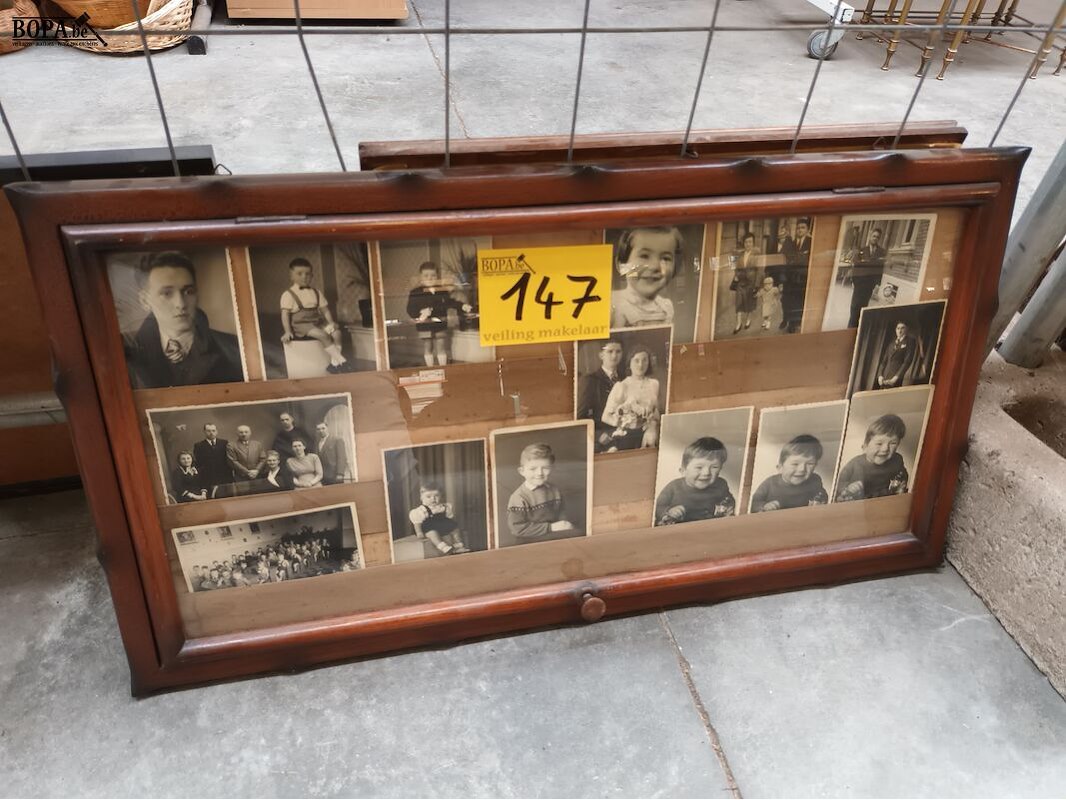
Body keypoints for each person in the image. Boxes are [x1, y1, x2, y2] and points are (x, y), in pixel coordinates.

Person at [123, 250, 243, 389]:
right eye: (167, 293)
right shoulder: (126, 351)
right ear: (144, 301)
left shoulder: (235, 350)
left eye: (188, 292)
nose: (180, 304)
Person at [279, 257, 353, 375]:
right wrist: (287, 331)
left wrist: (331, 323)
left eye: (308, 274)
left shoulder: (316, 292)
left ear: (312, 275)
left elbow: (325, 310)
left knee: (337, 333)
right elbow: (285, 315)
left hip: (318, 322)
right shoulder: (288, 294)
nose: (304, 277)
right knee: (323, 335)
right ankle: (343, 362)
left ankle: (334, 364)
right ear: (291, 275)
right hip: (301, 325)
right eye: (299, 274)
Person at [610, 226, 684, 329]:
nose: (654, 266)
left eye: (665, 258)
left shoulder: (666, 307)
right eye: (644, 256)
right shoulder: (614, 304)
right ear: (621, 264)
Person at [654, 437, 736, 526]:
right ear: (683, 471)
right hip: (680, 528)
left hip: (710, 527)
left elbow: (729, 500)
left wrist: (728, 508)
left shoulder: (720, 485)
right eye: (699, 467)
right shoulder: (673, 487)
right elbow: (658, 507)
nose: (706, 473)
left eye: (714, 467)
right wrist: (669, 512)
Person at [506, 442, 576, 542]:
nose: (539, 473)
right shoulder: (519, 497)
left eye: (545, 468)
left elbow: (561, 513)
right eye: (533, 469)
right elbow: (518, 529)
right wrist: (551, 527)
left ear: (551, 469)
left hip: (553, 536)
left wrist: (564, 524)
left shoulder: (554, 490)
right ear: (522, 471)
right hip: (529, 540)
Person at [406, 261, 472, 367]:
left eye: (433, 275)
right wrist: (420, 313)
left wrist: (462, 306)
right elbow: (410, 309)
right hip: (425, 324)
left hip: (440, 323)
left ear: (437, 276)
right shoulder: (415, 292)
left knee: (441, 345)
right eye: (426, 276)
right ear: (421, 277)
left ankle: (443, 367)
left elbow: (450, 302)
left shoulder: (441, 291)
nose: (430, 278)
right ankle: (430, 368)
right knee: (428, 345)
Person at [836, 414, 910, 501]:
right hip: (861, 502)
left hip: (886, 500)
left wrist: (900, 485)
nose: (885, 448)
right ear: (865, 446)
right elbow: (839, 483)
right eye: (879, 443)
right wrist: (848, 488)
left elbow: (903, 476)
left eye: (893, 443)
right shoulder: (855, 464)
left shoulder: (897, 460)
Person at [602, 346, 661, 451]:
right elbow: (605, 417)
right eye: (636, 360)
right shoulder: (622, 386)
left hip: (649, 432)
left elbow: (657, 412)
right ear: (629, 363)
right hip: (628, 435)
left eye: (644, 360)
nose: (640, 365)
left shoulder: (654, 384)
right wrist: (624, 421)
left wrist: (652, 423)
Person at [751, 434, 830, 512]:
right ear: (780, 467)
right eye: (795, 464)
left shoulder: (815, 480)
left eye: (810, 464)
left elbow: (822, 495)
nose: (802, 469)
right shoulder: (770, 484)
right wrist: (764, 506)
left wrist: (819, 501)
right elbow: (753, 503)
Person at [577, 339, 624, 453]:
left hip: (624, 435)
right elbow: (580, 416)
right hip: (603, 439)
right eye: (610, 351)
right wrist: (598, 435)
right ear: (601, 355)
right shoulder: (591, 380)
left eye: (618, 351)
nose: (614, 356)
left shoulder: (625, 379)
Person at [408, 481, 471, 556]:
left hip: (442, 525)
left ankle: (458, 545)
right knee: (432, 533)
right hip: (429, 527)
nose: (433, 499)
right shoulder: (422, 510)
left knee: (455, 530)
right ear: (421, 498)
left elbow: (450, 518)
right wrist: (419, 532)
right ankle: (443, 547)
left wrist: (451, 526)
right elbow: (417, 523)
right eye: (428, 497)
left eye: (436, 496)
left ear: (441, 496)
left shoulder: (444, 507)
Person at [776, 218, 812, 333]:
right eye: (798, 228)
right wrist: (781, 279)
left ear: (807, 230)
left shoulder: (811, 243)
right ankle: (785, 318)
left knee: (797, 302)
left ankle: (793, 323)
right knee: (785, 300)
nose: (800, 230)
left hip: (802, 279)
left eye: (803, 228)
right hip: (789, 278)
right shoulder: (790, 243)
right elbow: (782, 258)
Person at [847, 227, 887, 328]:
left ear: (879, 239)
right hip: (859, 284)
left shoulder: (881, 252)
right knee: (854, 307)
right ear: (870, 236)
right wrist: (854, 281)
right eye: (874, 236)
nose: (875, 238)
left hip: (870, 285)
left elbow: (880, 268)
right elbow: (856, 266)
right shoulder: (862, 250)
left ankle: (857, 328)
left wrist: (877, 284)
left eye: (877, 237)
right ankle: (850, 327)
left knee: (863, 307)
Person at [730, 232, 761, 334]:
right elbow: (736, 267)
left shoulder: (757, 255)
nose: (748, 244)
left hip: (751, 283)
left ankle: (748, 319)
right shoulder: (740, 255)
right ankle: (738, 323)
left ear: (753, 243)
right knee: (739, 302)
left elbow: (760, 270)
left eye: (750, 242)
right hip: (740, 283)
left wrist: (757, 285)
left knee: (749, 302)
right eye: (746, 242)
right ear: (744, 243)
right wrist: (736, 275)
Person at [876, 321, 920, 389]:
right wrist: (880, 375)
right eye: (898, 328)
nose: (900, 331)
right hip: (884, 378)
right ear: (895, 330)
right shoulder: (891, 343)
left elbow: (907, 362)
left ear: (907, 329)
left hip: (895, 378)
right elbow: (883, 362)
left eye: (902, 328)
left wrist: (896, 378)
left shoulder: (910, 341)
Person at [192, 423, 230, 498]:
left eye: (213, 430)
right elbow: (198, 462)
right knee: (212, 498)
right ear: (204, 432)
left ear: (217, 431)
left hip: (224, 476)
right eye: (208, 431)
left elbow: (229, 459)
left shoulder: (224, 443)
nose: (211, 433)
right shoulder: (199, 445)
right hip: (208, 477)